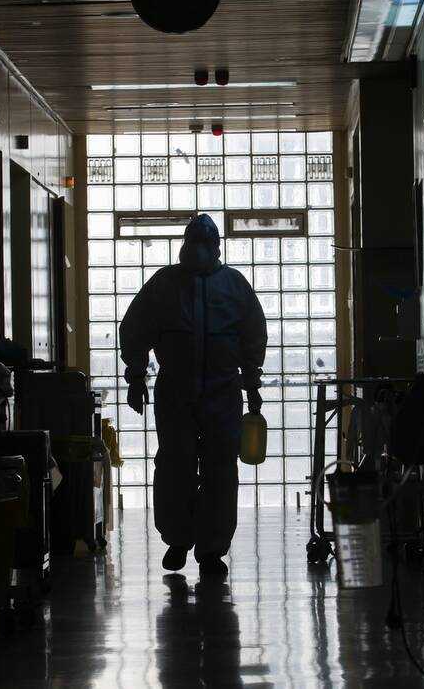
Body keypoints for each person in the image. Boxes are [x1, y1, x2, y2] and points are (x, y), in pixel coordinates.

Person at [119, 214, 267, 579]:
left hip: (223, 391)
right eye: (194, 243)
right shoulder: (164, 284)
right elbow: (135, 329)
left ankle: (212, 549)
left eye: (205, 243)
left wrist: (251, 383)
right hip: (176, 392)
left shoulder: (234, 285)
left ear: (216, 248)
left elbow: (253, 336)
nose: (199, 250)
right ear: (185, 244)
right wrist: (135, 376)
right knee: (174, 466)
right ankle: (178, 540)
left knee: (221, 469)